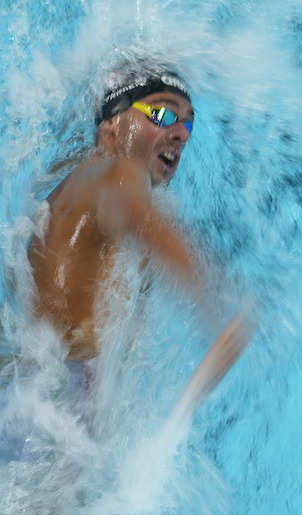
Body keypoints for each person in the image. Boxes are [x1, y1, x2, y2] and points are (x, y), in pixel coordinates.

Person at [26, 60, 252, 417]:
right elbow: (134, 211)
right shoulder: (116, 170)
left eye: (187, 121)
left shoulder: (75, 184)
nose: (181, 133)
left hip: (27, 393)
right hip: (49, 405)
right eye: (162, 114)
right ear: (111, 127)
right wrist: (217, 299)